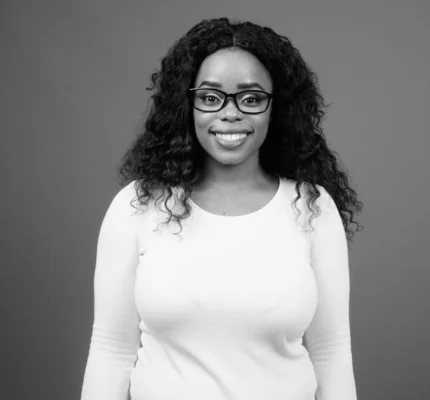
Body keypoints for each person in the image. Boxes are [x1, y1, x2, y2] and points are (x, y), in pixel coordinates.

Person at [80, 17, 363, 400]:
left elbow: (331, 353)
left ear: (276, 108)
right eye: (211, 98)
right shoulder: (138, 205)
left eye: (250, 98)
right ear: (187, 105)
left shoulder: (312, 208)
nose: (230, 113)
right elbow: (111, 350)